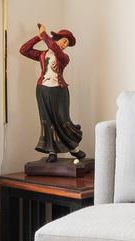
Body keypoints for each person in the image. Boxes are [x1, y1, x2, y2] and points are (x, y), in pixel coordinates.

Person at [18, 23, 85, 161]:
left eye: (68, 44)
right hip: (42, 89)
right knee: (46, 120)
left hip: (59, 91)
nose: (65, 45)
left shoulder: (64, 57)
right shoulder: (43, 55)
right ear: (58, 38)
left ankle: (74, 148)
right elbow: (23, 50)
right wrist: (38, 37)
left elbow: (54, 48)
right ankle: (51, 151)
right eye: (64, 41)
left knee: (63, 119)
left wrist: (44, 35)